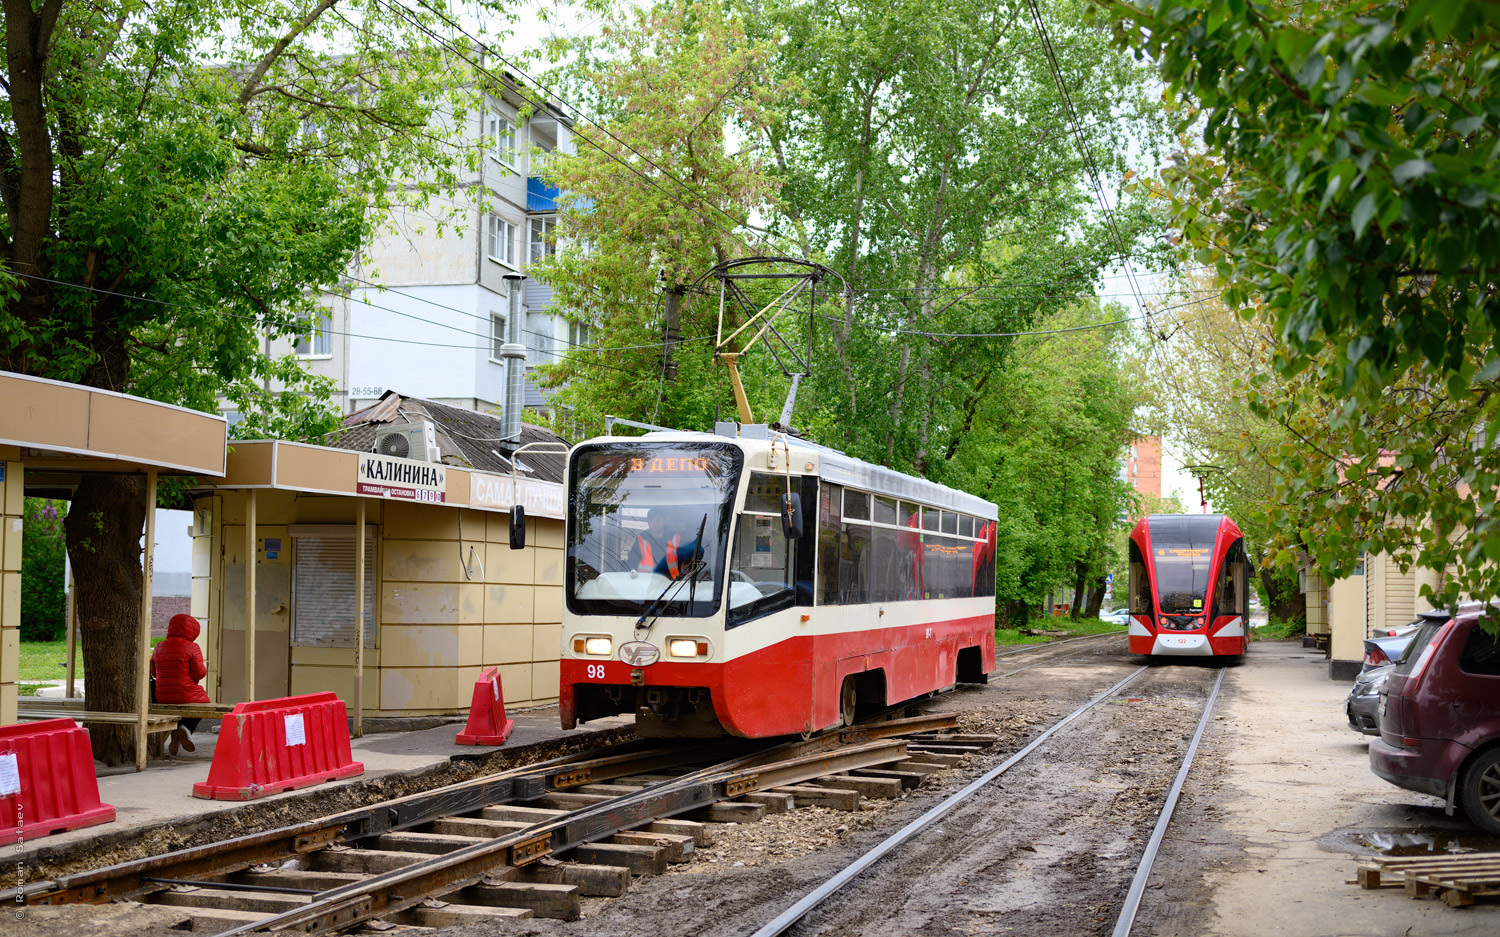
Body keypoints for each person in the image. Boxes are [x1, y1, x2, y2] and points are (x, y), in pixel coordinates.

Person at [150, 613, 210, 755]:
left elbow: (153, 672)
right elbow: (199, 674)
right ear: (193, 630)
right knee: (203, 703)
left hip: (162, 696)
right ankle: (186, 728)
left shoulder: (159, 646)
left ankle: (176, 734)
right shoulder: (192, 647)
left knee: (182, 702)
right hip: (185, 694)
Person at [627, 507, 683, 579]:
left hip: (671, 584)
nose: (655, 523)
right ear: (648, 523)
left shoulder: (676, 539)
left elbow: (684, 563)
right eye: (652, 520)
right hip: (645, 583)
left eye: (658, 520)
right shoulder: (641, 540)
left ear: (664, 521)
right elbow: (631, 563)